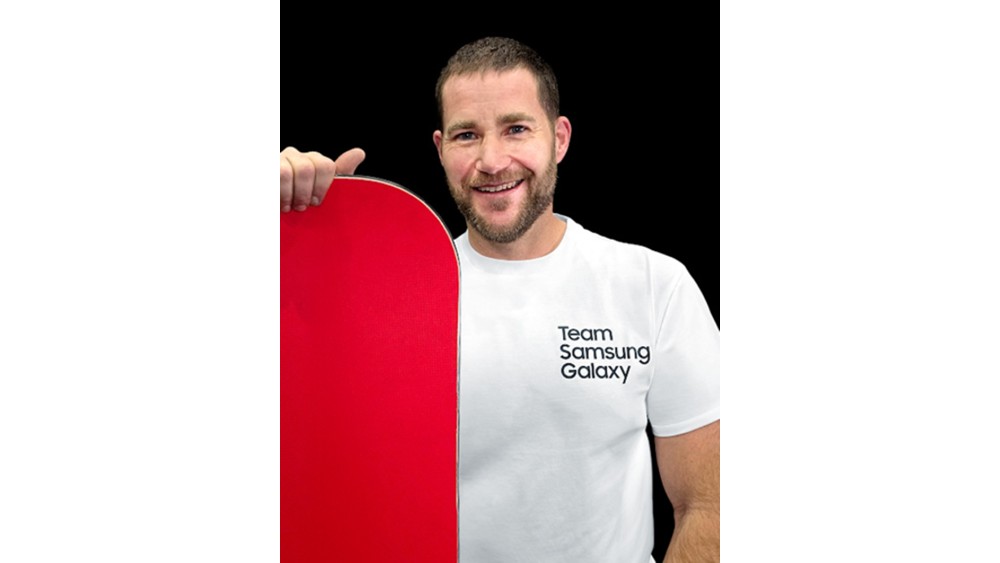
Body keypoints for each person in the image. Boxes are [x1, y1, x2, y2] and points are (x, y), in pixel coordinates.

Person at [280, 37, 720, 563]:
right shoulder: (387, 298)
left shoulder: (652, 284)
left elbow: (711, 505)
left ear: (559, 138)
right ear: (440, 149)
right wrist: (304, 245)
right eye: (467, 135)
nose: (491, 161)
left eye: (516, 128)